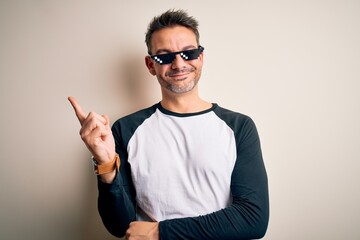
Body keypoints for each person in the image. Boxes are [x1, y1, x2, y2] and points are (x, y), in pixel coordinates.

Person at [69, 9, 269, 240]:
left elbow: (253, 219)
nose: (178, 63)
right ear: (150, 64)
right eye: (164, 56)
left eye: (188, 53)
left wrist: (160, 232)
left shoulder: (239, 127)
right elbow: (122, 226)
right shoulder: (125, 129)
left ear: (201, 57)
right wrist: (106, 167)